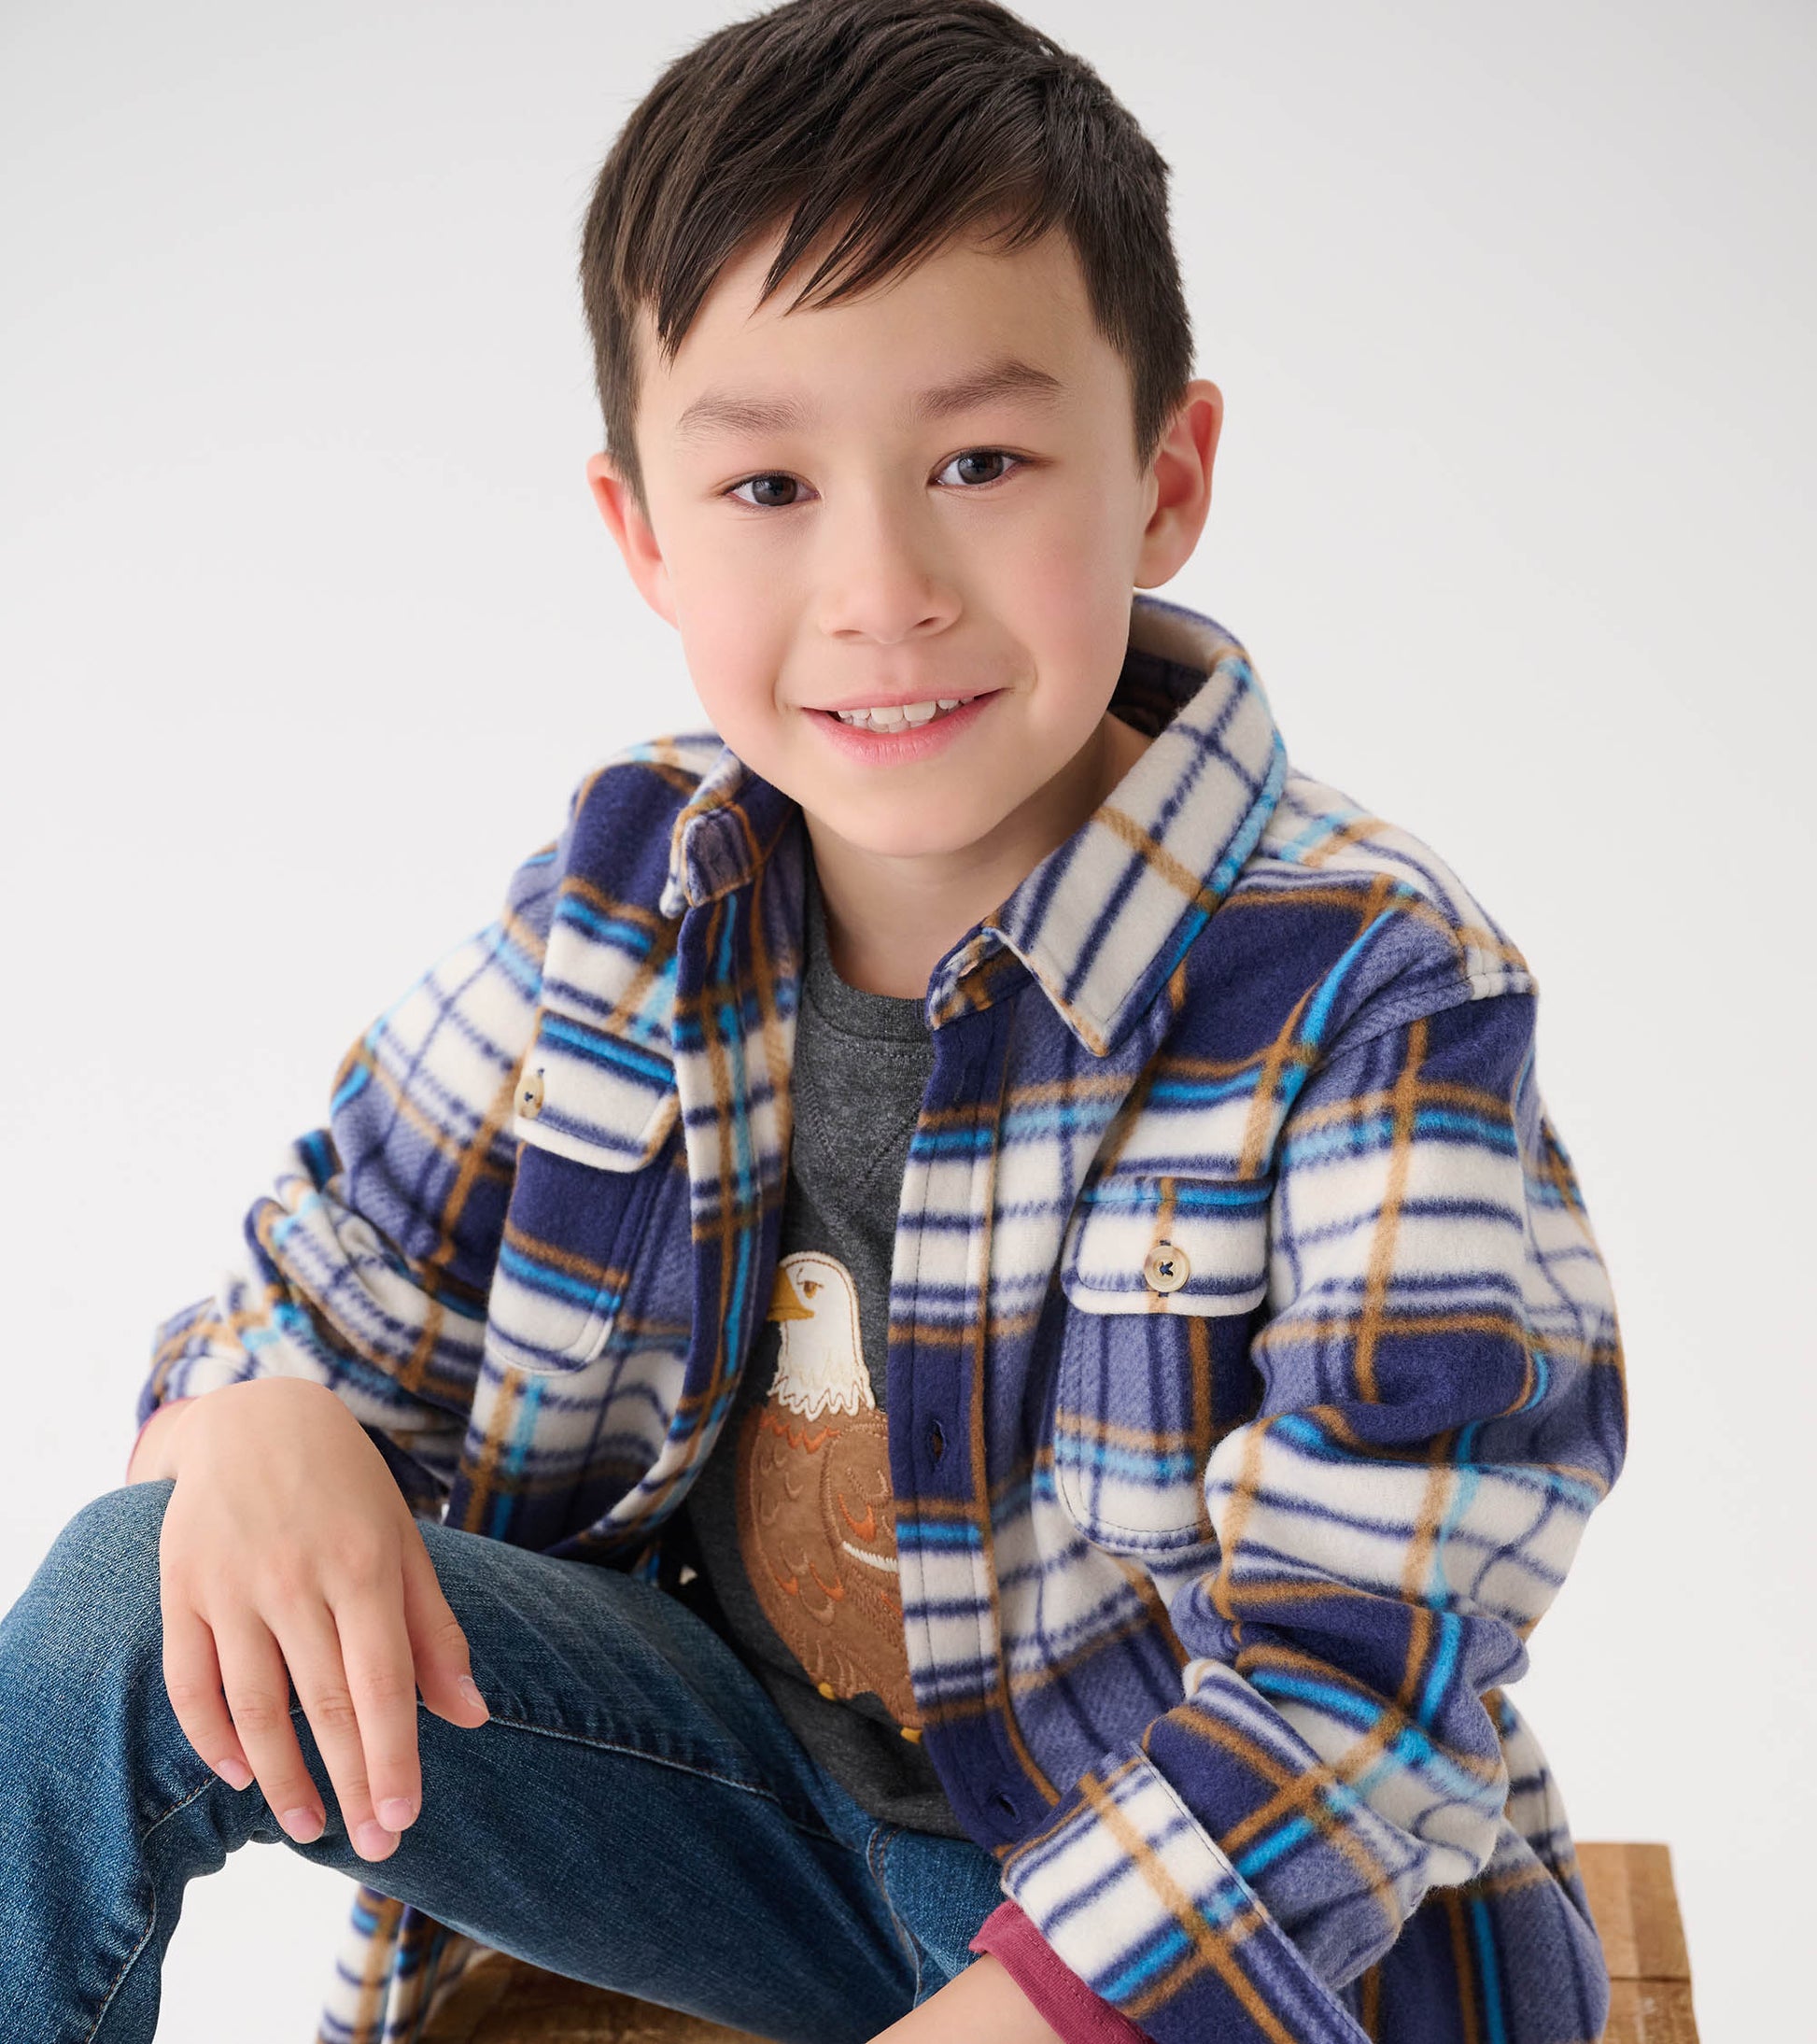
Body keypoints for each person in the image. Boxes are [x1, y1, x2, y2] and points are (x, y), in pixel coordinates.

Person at [0, 3, 1628, 2040]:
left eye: (981, 461)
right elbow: (311, 1286)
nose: (880, 585)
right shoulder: (623, 903)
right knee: (115, 1594)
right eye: (768, 483)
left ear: (1164, 477)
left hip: (1215, 1945)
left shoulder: (1371, 990)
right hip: (765, 1839)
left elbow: (1359, 1686)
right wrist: (250, 1415)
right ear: (643, 537)